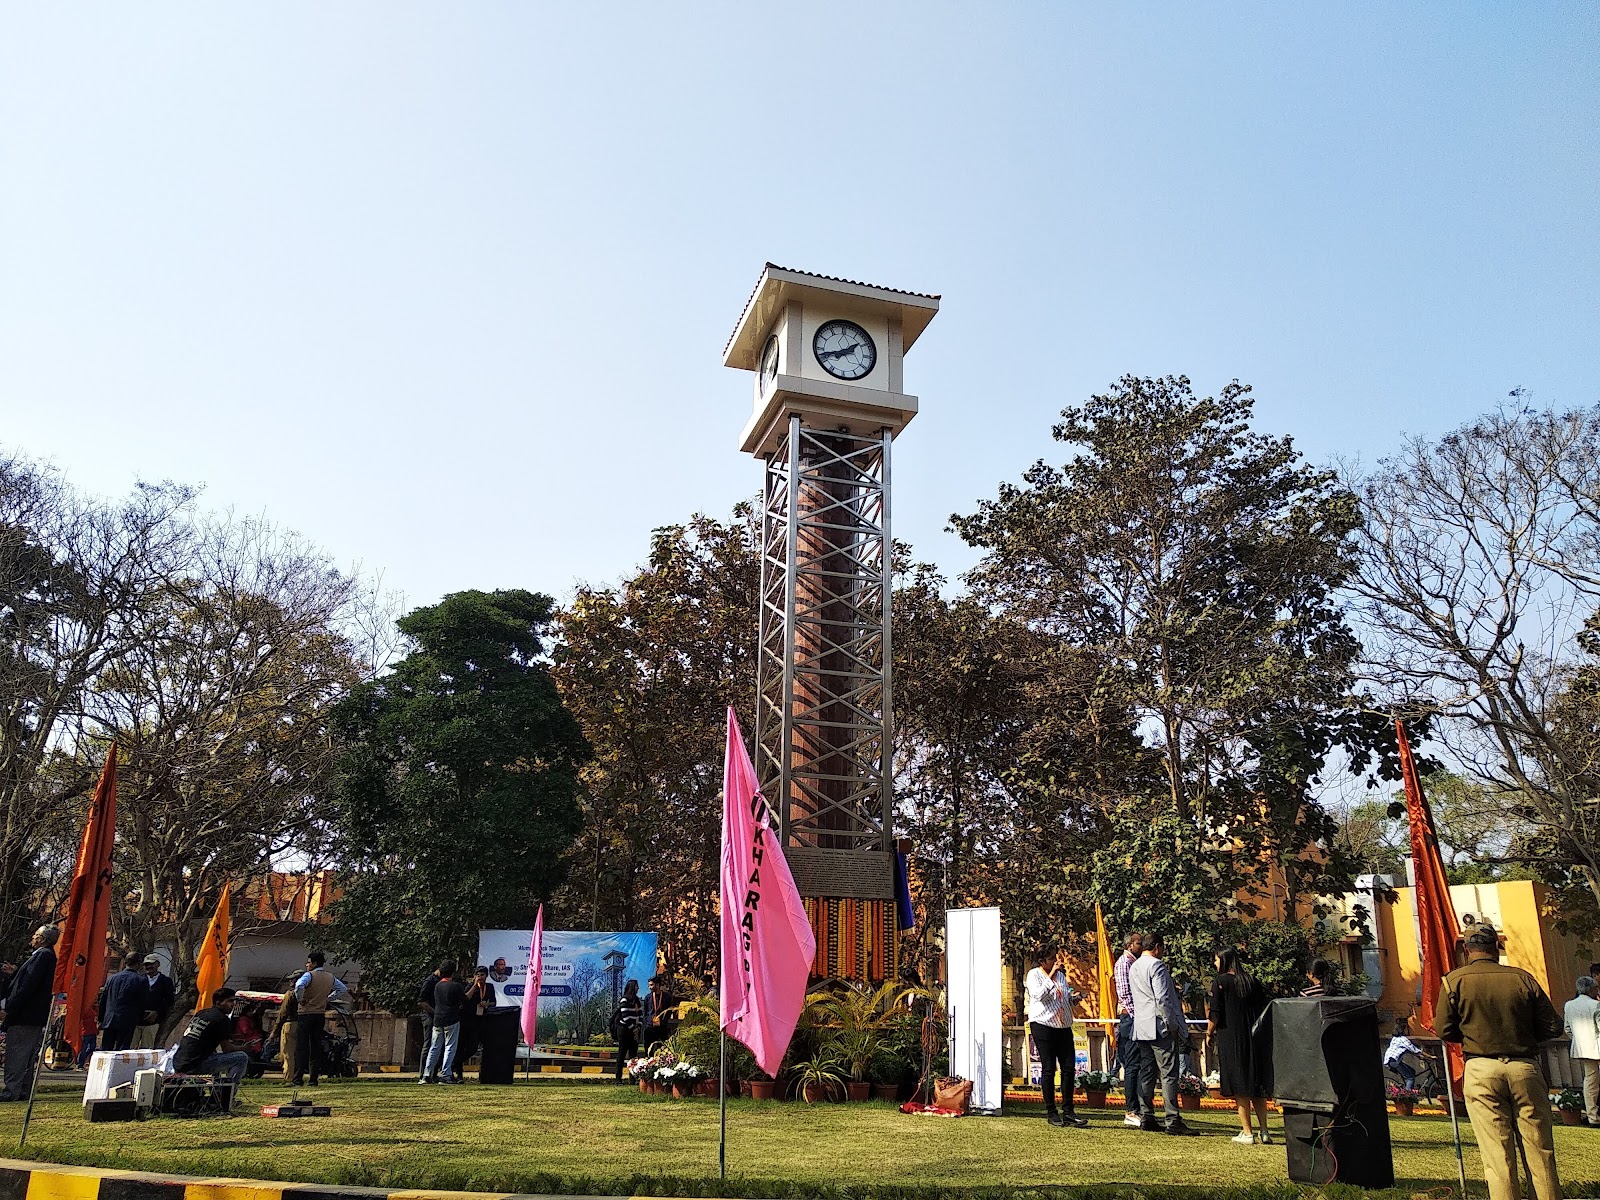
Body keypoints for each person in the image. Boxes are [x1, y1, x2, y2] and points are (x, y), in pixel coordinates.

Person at [1438, 923, 1562, 1200]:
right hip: (1524, 1066)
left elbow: (1444, 1030)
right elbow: (1553, 1027)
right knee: (1540, 1151)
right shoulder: (1523, 978)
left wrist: (1474, 1035)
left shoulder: (1453, 981)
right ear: (1497, 946)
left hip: (1480, 1068)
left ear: (1467, 949)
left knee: (1498, 1154)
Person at [1128, 931, 1198, 1136]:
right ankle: (1172, 1118)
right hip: (1159, 1026)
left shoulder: (1134, 966)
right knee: (1169, 1074)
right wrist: (1172, 1024)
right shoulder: (1156, 966)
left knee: (1147, 1072)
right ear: (1157, 947)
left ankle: (1146, 1115)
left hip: (1141, 1026)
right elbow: (1163, 999)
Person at [1207, 947, 1272, 1145]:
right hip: (1254, 1036)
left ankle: (1247, 1132)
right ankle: (1264, 1131)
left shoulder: (1221, 982)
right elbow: (1264, 1006)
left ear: (1225, 961)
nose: (1215, 964)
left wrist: (1209, 1032)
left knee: (1240, 1085)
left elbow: (1215, 1012)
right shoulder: (1251, 980)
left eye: (1217, 960)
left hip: (1231, 1037)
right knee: (1255, 1083)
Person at [1026, 947, 1088, 1128]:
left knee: (1069, 1068)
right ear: (1042, 961)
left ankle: (1069, 1112)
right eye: (1052, 959)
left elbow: (1062, 996)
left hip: (1063, 1025)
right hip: (1043, 1025)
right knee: (1049, 1068)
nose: (1056, 961)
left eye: (1056, 958)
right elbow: (1038, 996)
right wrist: (1050, 975)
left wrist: (1074, 998)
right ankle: (1051, 1112)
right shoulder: (1034, 975)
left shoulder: (1060, 976)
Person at [1, 925, 59, 1103]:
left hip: (25, 1015)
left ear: (42, 939)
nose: (32, 937)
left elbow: (28, 986)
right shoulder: (44, 957)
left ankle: (11, 1091)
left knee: (17, 1054)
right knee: (25, 1056)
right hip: (32, 1015)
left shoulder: (43, 956)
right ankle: (22, 1090)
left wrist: (9, 1008)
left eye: (36, 935)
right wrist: (16, 973)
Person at [291, 950, 348, 1088]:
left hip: (305, 1014)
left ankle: (298, 1078)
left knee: (301, 1047)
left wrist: (301, 999)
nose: (307, 965)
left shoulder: (309, 975)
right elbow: (342, 989)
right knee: (316, 1047)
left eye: (309, 962)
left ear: (314, 963)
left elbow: (299, 986)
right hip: (320, 1014)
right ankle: (313, 1079)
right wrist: (327, 998)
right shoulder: (330, 977)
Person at [172, 987, 249, 1089]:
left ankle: (215, 1093)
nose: (233, 1004)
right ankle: (227, 1094)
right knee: (241, 1057)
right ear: (218, 1003)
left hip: (178, 1061)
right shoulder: (222, 1019)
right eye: (230, 1001)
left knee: (213, 1054)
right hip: (196, 1064)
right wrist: (244, 1048)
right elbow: (227, 1049)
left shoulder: (201, 1013)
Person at [1114, 932, 1144, 1128]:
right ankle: (1131, 1110)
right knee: (1132, 1065)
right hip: (1131, 1018)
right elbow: (1125, 994)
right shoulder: (1125, 963)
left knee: (1140, 1064)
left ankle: (1140, 1109)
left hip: (1137, 1018)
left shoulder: (1136, 962)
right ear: (1130, 944)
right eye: (1139, 943)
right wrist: (1137, 1015)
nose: (1142, 946)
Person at [421, 960, 466, 1084]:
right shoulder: (455, 986)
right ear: (452, 972)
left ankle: (426, 1074)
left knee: (434, 1047)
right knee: (449, 1047)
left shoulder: (437, 985)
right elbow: (464, 1000)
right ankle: (446, 1074)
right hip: (451, 1019)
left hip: (437, 1019)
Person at [1566, 976, 1600, 1127]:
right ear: (1592, 989)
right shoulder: (1596, 1005)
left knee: (1590, 1081)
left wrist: (1579, 1040)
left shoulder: (1569, 1005)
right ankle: (1593, 1116)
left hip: (1582, 1048)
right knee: (1592, 1082)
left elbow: (1568, 1029)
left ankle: (1592, 1116)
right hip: (1597, 1046)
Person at [97, 954, 149, 1052]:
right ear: (138, 964)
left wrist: (101, 1019)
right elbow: (142, 1002)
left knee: (105, 1050)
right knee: (121, 1051)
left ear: (125, 962)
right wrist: (140, 1018)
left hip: (109, 1019)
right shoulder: (141, 980)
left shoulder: (112, 978)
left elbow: (103, 1000)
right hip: (127, 1020)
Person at [457, 965, 498, 1082]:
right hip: (467, 1020)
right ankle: (458, 1073)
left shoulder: (489, 987)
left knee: (473, 1047)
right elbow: (464, 1000)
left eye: (482, 975)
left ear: (486, 976)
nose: (480, 977)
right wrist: (474, 985)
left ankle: (457, 1061)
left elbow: (494, 1002)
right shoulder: (470, 986)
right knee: (462, 1046)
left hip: (481, 1019)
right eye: (478, 975)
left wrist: (487, 1004)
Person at [133, 954, 177, 1049]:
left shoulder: (166, 981)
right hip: (135, 1021)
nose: (148, 967)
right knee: (130, 1050)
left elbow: (169, 1000)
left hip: (153, 1023)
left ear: (157, 964)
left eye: (151, 964)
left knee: (146, 1050)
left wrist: (156, 1012)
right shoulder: (138, 980)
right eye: (146, 965)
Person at [1382, 1016, 1437, 1092]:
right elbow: (1415, 1050)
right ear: (1403, 1030)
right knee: (1410, 1077)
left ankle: (1405, 1087)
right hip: (1394, 1061)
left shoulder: (1395, 1039)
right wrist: (1430, 1056)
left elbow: (1407, 1050)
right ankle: (1407, 1096)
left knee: (1412, 1071)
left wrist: (1419, 1056)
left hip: (1389, 1060)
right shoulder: (1403, 1039)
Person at [611, 979, 644, 1083]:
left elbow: (640, 1015)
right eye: (636, 986)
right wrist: (632, 1028)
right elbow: (625, 1016)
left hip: (634, 1031)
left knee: (633, 1055)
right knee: (621, 1054)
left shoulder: (638, 1001)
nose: (638, 988)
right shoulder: (624, 1000)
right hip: (624, 1030)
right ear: (632, 987)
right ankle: (618, 1079)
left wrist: (638, 1027)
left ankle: (632, 1079)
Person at [416, 963, 442, 1081]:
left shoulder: (439, 980)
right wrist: (435, 1012)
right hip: (428, 1016)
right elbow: (421, 1002)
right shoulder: (430, 981)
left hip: (436, 1015)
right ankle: (423, 1074)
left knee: (437, 1044)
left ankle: (432, 1073)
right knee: (428, 1044)